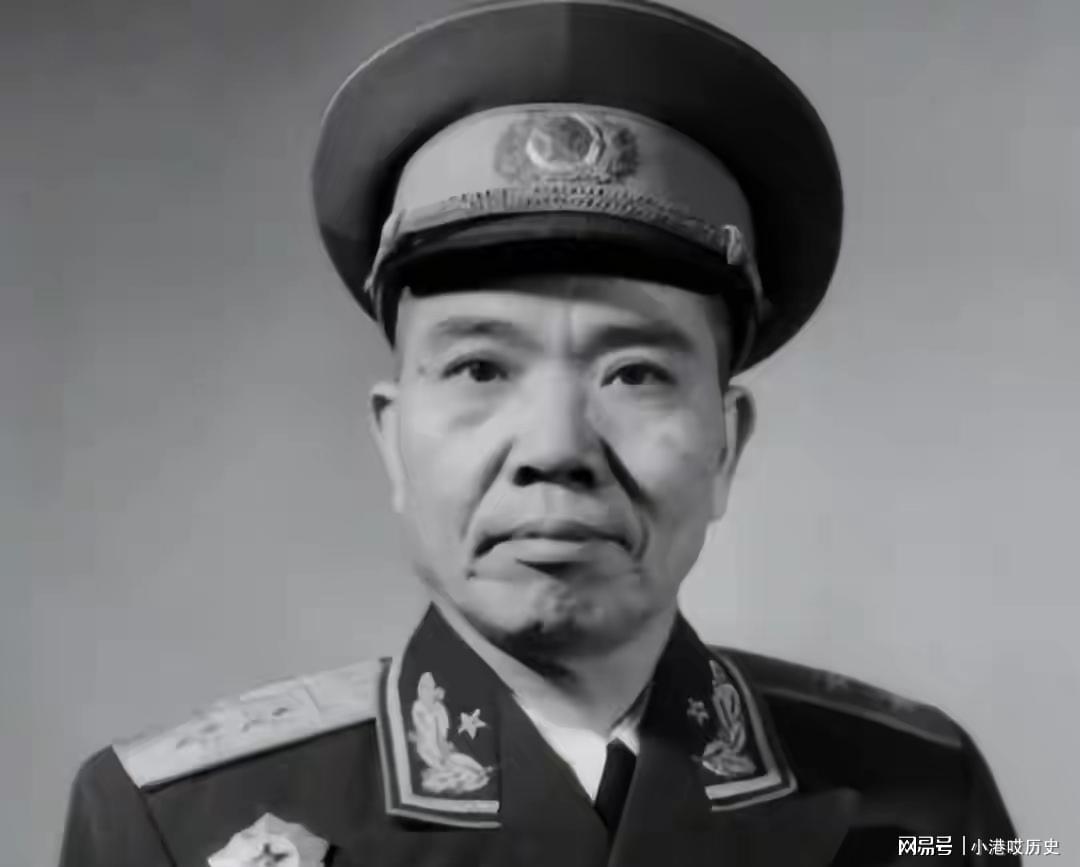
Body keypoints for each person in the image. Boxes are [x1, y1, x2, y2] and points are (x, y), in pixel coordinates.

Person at [59, 1, 1020, 865]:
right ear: (393, 442)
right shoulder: (177, 828)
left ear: (727, 445)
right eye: (481, 369)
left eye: (634, 373)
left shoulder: (929, 806)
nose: (555, 449)